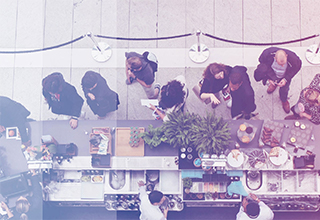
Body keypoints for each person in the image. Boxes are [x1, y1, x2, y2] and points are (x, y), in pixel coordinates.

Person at [254, 47, 302, 113]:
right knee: (274, 83)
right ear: (275, 58)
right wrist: (268, 79)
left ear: (286, 56)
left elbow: (296, 68)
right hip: (272, 74)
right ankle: (274, 85)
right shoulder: (266, 54)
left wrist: (286, 79)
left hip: (285, 76)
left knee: (284, 90)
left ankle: (284, 100)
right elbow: (263, 66)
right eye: (280, 64)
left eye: (284, 64)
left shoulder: (294, 59)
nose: (282, 66)